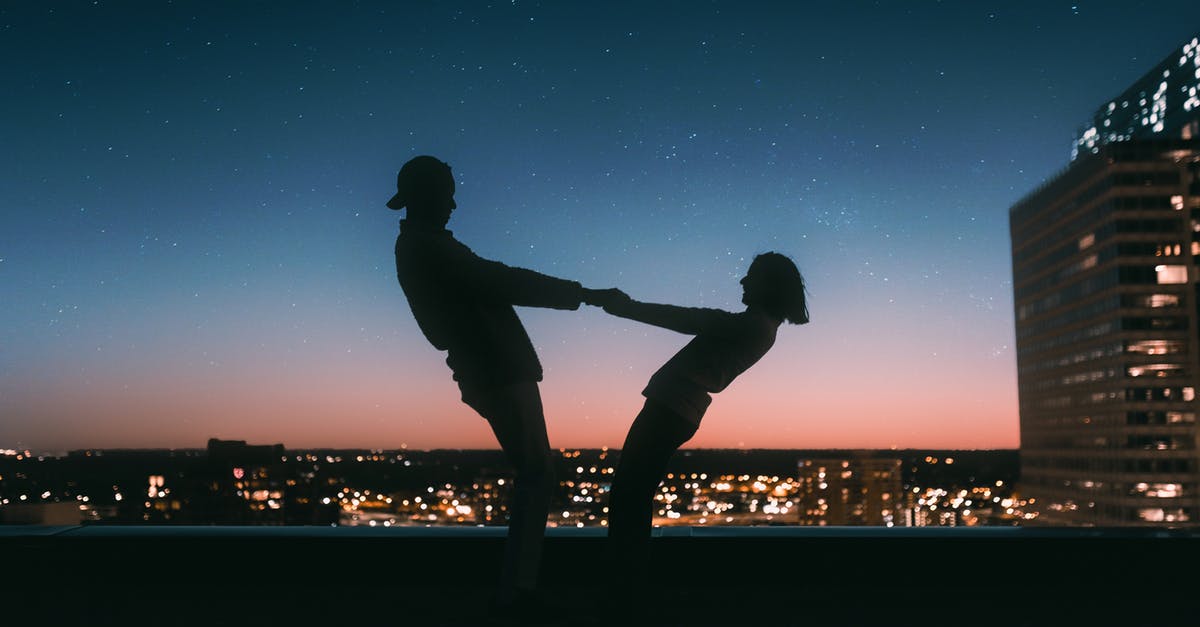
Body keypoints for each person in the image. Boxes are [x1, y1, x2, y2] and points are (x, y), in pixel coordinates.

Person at [386, 155, 617, 619]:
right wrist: (583, 294)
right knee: (537, 473)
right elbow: (500, 280)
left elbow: (490, 282)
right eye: (448, 191)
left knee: (536, 472)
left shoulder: (427, 247)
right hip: (495, 368)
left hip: (491, 367)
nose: (454, 202)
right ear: (428, 194)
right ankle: (516, 594)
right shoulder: (428, 249)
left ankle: (517, 590)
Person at [600, 252, 809, 602]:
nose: (742, 281)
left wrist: (627, 307)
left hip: (670, 409)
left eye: (751, 276)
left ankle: (624, 592)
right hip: (678, 409)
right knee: (631, 497)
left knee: (629, 498)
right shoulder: (759, 326)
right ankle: (625, 589)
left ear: (770, 285)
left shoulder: (754, 325)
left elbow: (688, 319)